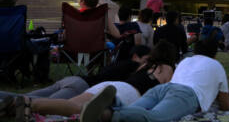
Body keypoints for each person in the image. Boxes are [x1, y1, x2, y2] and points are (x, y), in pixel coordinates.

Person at [12, 41, 176, 120]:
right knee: (78, 111)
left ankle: (25, 106)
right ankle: (30, 103)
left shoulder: (145, 65)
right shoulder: (168, 69)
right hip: (130, 94)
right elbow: (167, 94)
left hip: (114, 85)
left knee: (70, 107)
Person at [79, 39, 229, 122]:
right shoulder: (216, 65)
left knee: (134, 109)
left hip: (163, 89)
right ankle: (108, 113)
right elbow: (225, 104)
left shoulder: (186, 61)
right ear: (214, 55)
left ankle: (112, 104)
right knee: (155, 117)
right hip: (185, 95)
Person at [0, 45, 151, 106]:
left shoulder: (118, 63)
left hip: (73, 80)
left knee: (25, 97)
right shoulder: (133, 67)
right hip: (81, 87)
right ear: (137, 56)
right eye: (146, 60)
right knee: (38, 103)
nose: (147, 64)